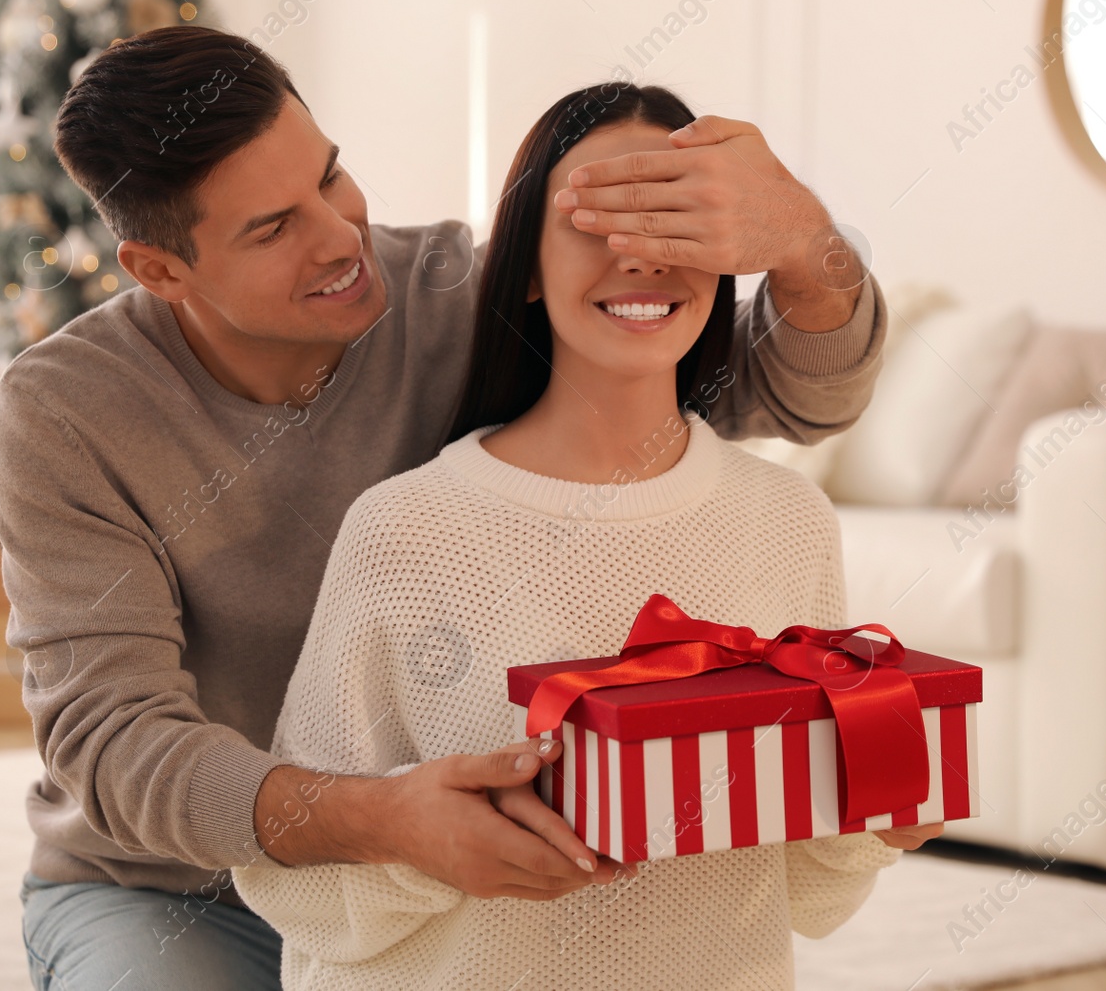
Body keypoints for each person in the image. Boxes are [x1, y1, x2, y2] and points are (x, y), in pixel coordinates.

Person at [0, 26, 887, 991]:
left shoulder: (455, 296)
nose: (341, 239)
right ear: (160, 270)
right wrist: (382, 820)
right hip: (167, 888)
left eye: (331, 178)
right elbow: (115, 738)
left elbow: (795, 393)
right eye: (272, 227)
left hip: (426, 861)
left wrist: (802, 241)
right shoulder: (63, 411)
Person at [231, 82, 939, 991]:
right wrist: (428, 844)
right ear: (523, 266)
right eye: (599, 220)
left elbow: (808, 898)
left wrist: (875, 814)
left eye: (674, 225)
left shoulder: (786, 520)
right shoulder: (406, 530)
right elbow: (293, 886)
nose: (642, 258)